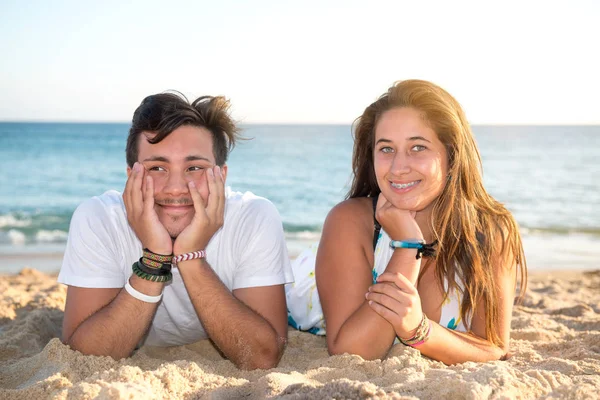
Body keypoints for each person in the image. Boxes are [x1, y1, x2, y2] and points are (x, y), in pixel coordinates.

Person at [286, 79, 527, 365]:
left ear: (451, 155)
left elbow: (494, 348)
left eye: (418, 148)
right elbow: (355, 350)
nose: (399, 168)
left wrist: (418, 329)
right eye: (386, 149)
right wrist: (407, 247)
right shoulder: (351, 221)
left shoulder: (490, 231)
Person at [59, 92, 293, 370]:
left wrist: (191, 256)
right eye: (157, 167)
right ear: (131, 175)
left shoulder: (254, 216)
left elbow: (262, 357)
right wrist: (155, 259)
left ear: (222, 175)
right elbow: (84, 357)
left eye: (194, 167)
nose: (176, 187)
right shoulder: (99, 217)